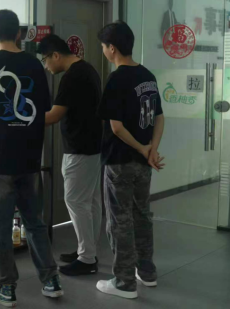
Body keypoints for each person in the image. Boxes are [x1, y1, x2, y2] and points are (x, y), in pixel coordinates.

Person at [0, 9, 61, 307]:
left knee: (1, 227)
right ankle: (51, 281)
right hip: (30, 158)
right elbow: (43, 111)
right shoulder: (34, 65)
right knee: (35, 222)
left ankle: (6, 288)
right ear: (19, 34)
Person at [96, 21, 165, 300]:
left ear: (112, 48)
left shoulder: (117, 79)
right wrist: (151, 150)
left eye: (103, 47)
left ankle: (124, 282)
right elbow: (159, 116)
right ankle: (146, 271)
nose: (103, 51)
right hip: (143, 163)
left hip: (120, 160)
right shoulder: (147, 76)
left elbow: (116, 127)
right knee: (142, 215)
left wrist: (142, 148)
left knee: (119, 220)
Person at [38, 34, 103, 276]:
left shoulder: (72, 76)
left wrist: (24, 121)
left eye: (45, 60)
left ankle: (87, 259)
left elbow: (54, 115)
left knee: (76, 201)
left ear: (55, 55)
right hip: (92, 145)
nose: (46, 66)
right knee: (91, 201)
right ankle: (88, 251)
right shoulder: (88, 69)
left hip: (80, 148)